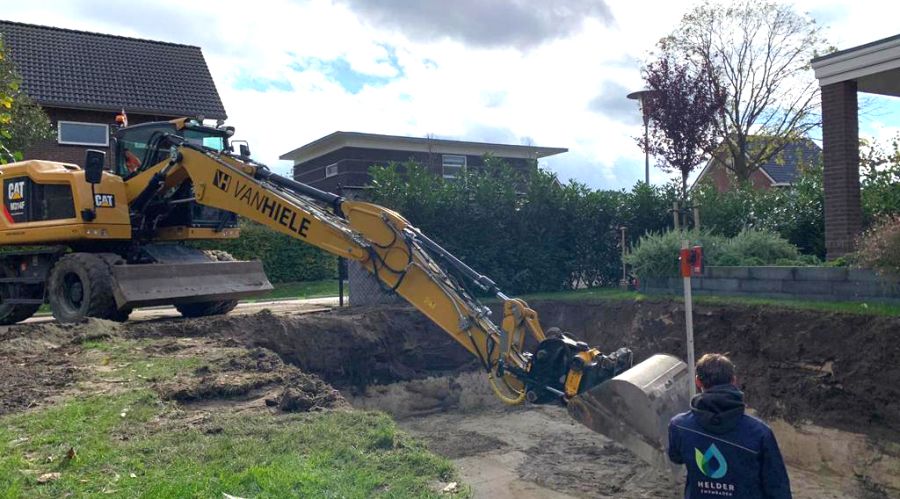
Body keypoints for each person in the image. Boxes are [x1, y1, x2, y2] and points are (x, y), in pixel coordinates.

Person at [667, 353, 791, 498]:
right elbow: (777, 486)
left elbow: (676, 457)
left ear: (698, 382)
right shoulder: (760, 433)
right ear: (733, 380)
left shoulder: (679, 426)